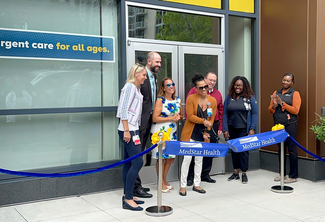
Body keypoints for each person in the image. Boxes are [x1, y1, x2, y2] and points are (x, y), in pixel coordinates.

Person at [179, 74, 217, 196]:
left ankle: (197, 184)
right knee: (187, 159)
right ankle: (183, 185)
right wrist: (203, 121)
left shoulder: (213, 101)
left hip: (203, 135)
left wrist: (207, 131)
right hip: (190, 133)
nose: (204, 89)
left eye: (205, 86)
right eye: (201, 88)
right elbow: (190, 116)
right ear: (196, 88)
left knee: (199, 160)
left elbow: (211, 120)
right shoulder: (191, 98)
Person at [116, 63, 147, 211]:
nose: (145, 78)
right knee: (137, 162)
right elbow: (123, 109)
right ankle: (128, 199)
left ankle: (127, 194)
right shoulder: (129, 87)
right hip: (128, 130)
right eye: (143, 75)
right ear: (136, 74)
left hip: (132, 129)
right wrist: (127, 131)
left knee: (129, 163)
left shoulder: (136, 89)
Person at [186, 71, 224, 185]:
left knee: (209, 150)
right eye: (210, 80)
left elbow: (221, 111)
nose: (212, 82)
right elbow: (189, 111)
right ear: (205, 79)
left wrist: (220, 126)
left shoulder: (217, 94)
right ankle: (190, 177)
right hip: (197, 125)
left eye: (214, 81)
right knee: (194, 151)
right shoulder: (194, 91)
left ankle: (205, 174)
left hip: (212, 124)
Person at [133, 51, 161, 198]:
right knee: (137, 156)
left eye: (160, 62)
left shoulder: (153, 77)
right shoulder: (140, 77)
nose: (159, 65)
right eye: (157, 62)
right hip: (138, 123)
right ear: (149, 62)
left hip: (149, 121)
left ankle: (138, 184)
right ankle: (135, 187)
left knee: (142, 153)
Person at [223, 76, 258, 184]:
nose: (237, 87)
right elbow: (225, 113)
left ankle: (244, 173)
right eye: (236, 85)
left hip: (244, 130)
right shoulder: (229, 97)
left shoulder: (249, 97)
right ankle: (235, 173)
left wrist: (252, 128)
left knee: (243, 152)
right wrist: (225, 129)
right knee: (234, 151)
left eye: (240, 85)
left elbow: (255, 113)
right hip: (232, 129)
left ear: (244, 86)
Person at [151, 77, 183, 193]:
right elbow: (155, 118)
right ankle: (161, 182)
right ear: (163, 88)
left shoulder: (178, 100)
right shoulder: (160, 100)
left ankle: (164, 180)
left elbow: (181, 115)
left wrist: (179, 117)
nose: (171, 87)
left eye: (172, 84)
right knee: (162, 158)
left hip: (172, 132)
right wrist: (171, 118)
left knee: (170, 159)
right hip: (161, 132)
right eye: (168, 85)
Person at [268, 73, 301, 183]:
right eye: (284, 80)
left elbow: (296, 110)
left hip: (290, 124)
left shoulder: (295, 93)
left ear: (292, 82)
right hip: (278, 124)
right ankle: (282, 174)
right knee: (280, 149)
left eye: (288, 81)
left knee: (291, 149)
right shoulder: (276, 92)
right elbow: (270, 110)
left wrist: (282, 103)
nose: (285, 82)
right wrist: (275, 105)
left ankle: (293, 176)